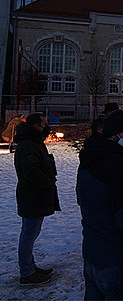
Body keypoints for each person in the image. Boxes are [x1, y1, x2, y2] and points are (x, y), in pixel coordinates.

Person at [77, 110, 123, 300]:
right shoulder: (118, 166)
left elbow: (82, 200)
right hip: (118, 258)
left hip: (93, 253)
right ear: (114, 135)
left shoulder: (88, 159)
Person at [13, 113, 60, 285]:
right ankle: (27, 272)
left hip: (33, 195)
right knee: (28, 234)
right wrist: (48, 182)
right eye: (44, 124)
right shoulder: (29, 146)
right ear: (34, 126)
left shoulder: (31, 143)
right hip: (32, 195)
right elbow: (31, 172)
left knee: (30, 233)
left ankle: (30, 267)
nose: (47, 127)